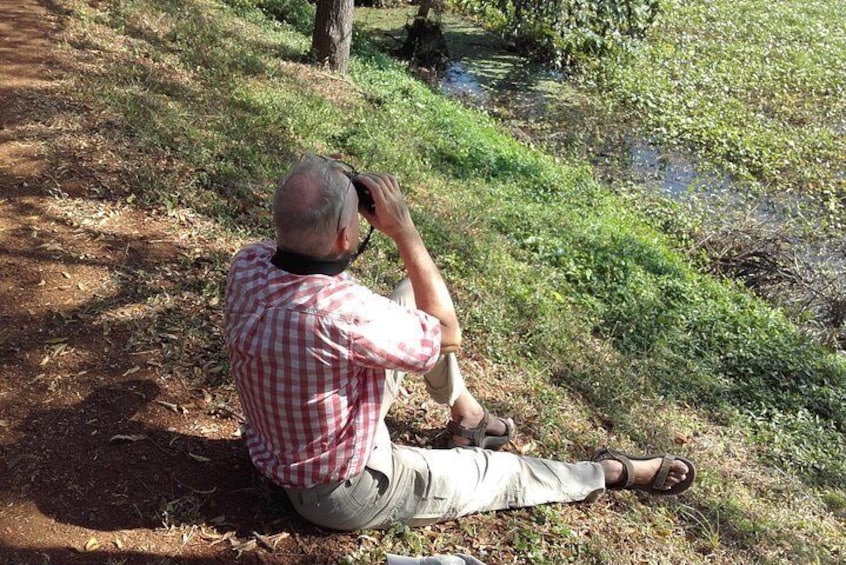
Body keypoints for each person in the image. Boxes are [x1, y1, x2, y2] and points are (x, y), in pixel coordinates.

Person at [224, 153, 696, 531]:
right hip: (341, 491)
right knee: (498, 475)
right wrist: (403, 228)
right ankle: (611, 474)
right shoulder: (345, 314)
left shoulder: (249, 263)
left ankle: (469, 415)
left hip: (285, 440)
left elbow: (365, 307)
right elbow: (448, 334)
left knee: (410, 298)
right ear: (347, 235)